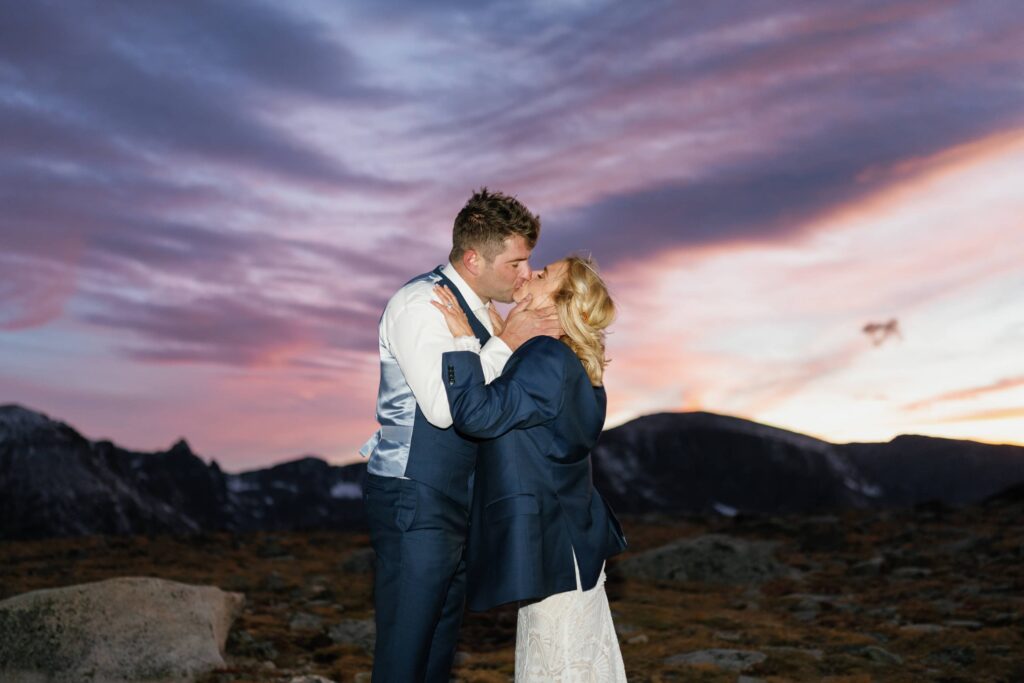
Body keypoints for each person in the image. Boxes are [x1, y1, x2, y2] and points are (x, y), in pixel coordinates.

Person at [359, 188, 562, 682]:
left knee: (436, 653)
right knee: (405, 654)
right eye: (515, 263)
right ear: (473, 258)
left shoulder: (481, 312)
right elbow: (443, 410)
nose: (523, 275)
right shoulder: (421, 304)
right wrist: (504, 344)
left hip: (456, 500)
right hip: (415, 496)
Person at [431, 255, 628, 681]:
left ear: (558, 305)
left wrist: (464, 344)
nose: (528, 274)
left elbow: (478, 415)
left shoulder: (544, 355)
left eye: (541, 276)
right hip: (572, 545)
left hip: (554, 547)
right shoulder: (570, 362)